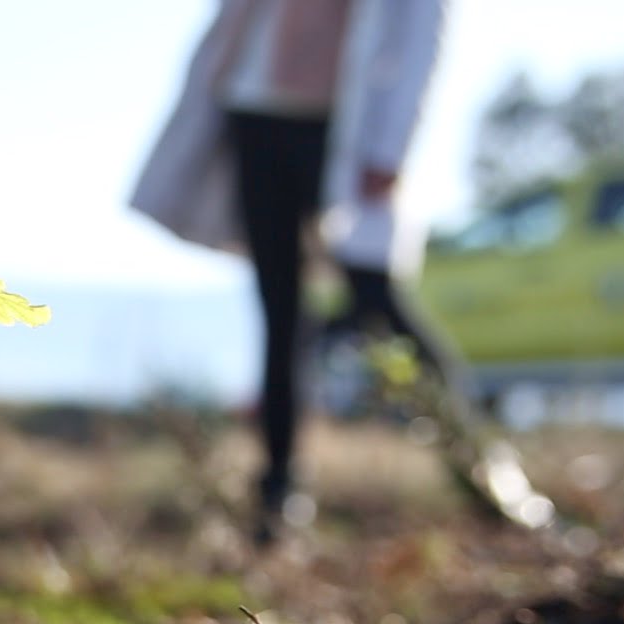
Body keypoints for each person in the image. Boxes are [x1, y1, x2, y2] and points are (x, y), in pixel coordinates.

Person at [135, 0, 527, 541]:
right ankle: (278, 497)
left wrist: (390, 146)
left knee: (376, 304)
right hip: (255, 112)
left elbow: (420, 35)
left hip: (344, 123)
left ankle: (486, 469)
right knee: (279, 312)